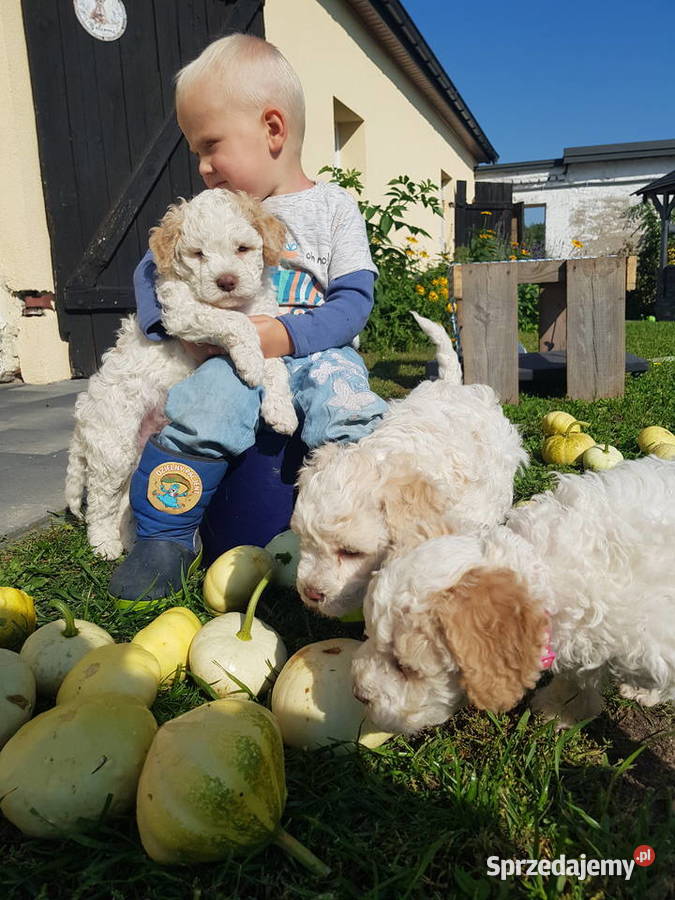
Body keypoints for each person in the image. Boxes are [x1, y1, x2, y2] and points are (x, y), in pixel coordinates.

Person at [109, 33, 388, 601]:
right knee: (201, 410)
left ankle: (368, 532)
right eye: (198, 155)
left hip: (320, 353)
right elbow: (151, 271)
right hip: (233, 360)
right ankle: (165, 534)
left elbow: (355, 300)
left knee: (349, 414)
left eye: (211, 146)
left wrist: (285, 334)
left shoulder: (334, 209)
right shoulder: (214, 211)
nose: (206, 167)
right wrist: (181, 333)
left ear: (273, 130)